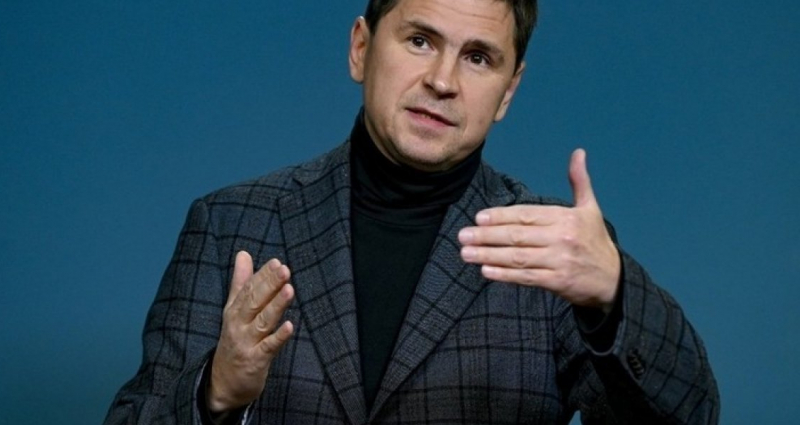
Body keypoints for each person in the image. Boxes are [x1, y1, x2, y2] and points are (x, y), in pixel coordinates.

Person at [104, 0, 719, 423]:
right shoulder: (228, 224)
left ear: (508, 91)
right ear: (361, 47)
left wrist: (614, 297)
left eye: (478, 57)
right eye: (421, 41)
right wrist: (214, 392)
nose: (443, 81)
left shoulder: (555, 250)